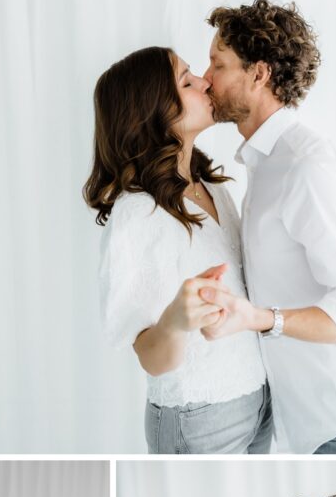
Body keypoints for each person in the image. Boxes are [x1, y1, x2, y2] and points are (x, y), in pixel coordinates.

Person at [199, 0, 336, 455]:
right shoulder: (266, 163)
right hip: (312, 425)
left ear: (259, 74)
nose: (206, 77)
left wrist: (259, 320)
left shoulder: (306, 167)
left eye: (218, 63)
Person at [85, 45, 271, 454]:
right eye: (187, 81)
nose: (206, 82)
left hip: (258, 403)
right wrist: (173, 321)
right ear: (153, 114)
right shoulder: (137, 215)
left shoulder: (213, 188)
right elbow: (150, 357)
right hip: (198, 420)